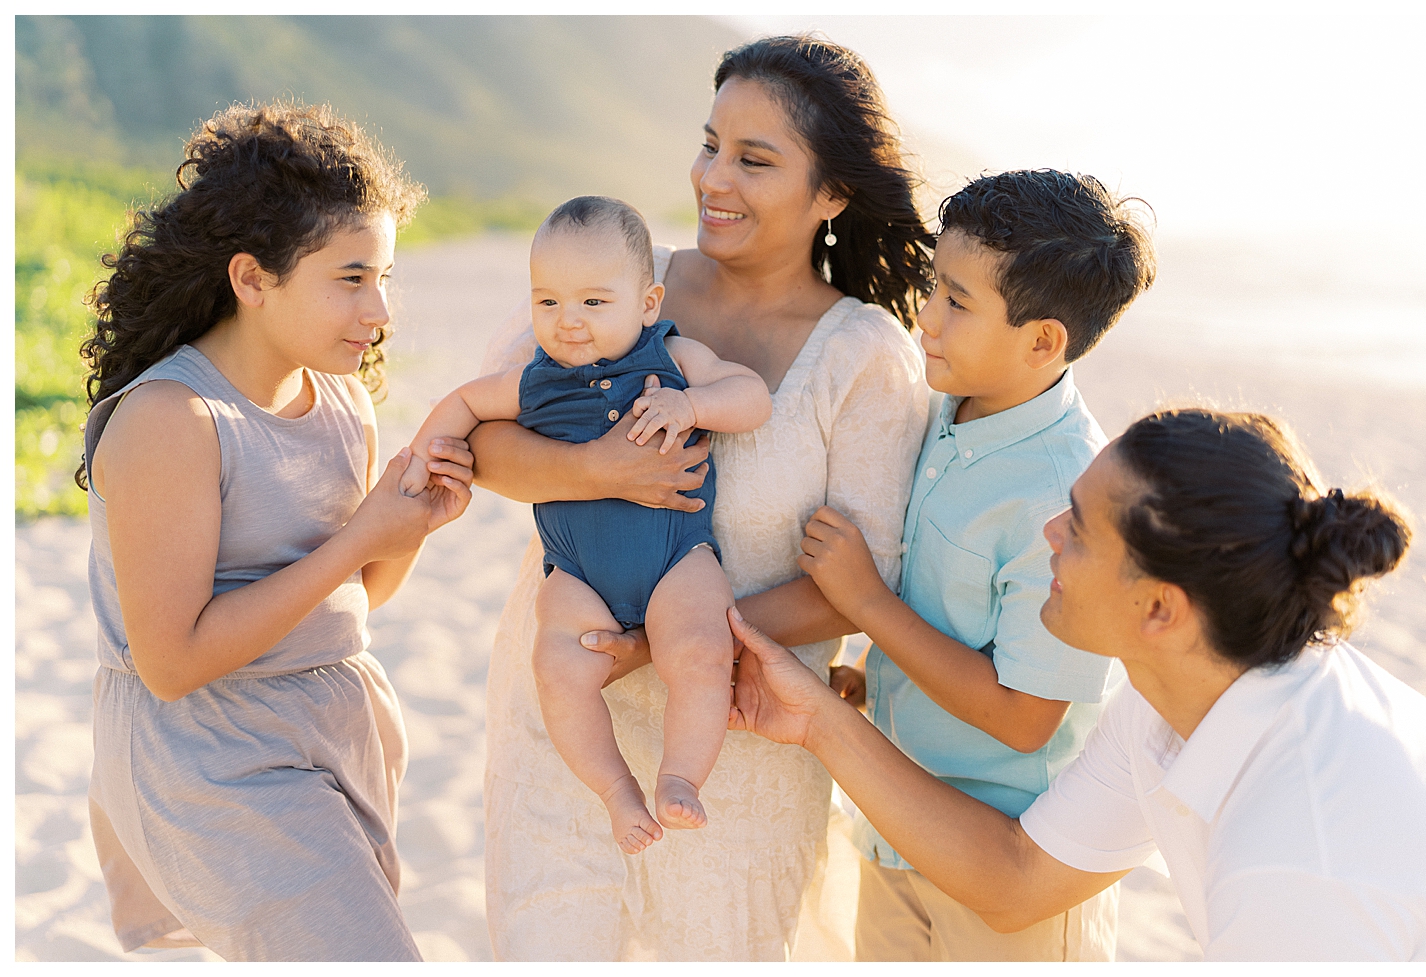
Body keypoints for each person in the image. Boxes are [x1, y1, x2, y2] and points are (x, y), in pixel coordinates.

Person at [468, 36, 935, 960]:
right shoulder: (618, 283)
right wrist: (601, 470)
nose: (713, 176)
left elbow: (856, 579)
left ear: (832, 195)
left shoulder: (866, 356)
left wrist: (671, 641)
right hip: (565, 713)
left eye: (754, 160)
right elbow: (483, 443)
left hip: (739, 749)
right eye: (710, 143)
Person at [728, 408, 1426, 961]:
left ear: (1160, 608)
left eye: (1082, 530)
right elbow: (1017, 878)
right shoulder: (1175, 702)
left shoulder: (1296, 867)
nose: (1050, 531)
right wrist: (817, 719)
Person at [78, 102, 475, 961]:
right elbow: (172, 662)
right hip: (212, 755)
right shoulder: (172, 418)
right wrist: (357, 536)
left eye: (386, 277)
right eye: (351, 277)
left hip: (338, 731)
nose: (379, 307)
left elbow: (356, 599)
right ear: (252, 278)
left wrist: (406, 527)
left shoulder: (344, 401)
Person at [794, 169, 1156, 961]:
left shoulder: (1065, 495)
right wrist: (870, 665)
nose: (927, 317)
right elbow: (944, 597)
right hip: (896, 829)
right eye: (934, 287)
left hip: (1010, 863)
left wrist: (866, 605)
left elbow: (1027, 718)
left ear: (1042, 341)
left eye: (958, 302)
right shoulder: (937, 411)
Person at [401, 196, 771, 852]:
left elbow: (751, 397)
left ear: (647, 303)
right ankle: (615, 789)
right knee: (558, 665)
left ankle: (681, 775)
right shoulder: (535, 382)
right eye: (548, 302)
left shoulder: (672, 357)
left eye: (594, 303)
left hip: (676, 556)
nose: (568, 322)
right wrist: (426, 453)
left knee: (702, 650)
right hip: (578, 572)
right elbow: (463, 400)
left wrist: (692, 405)